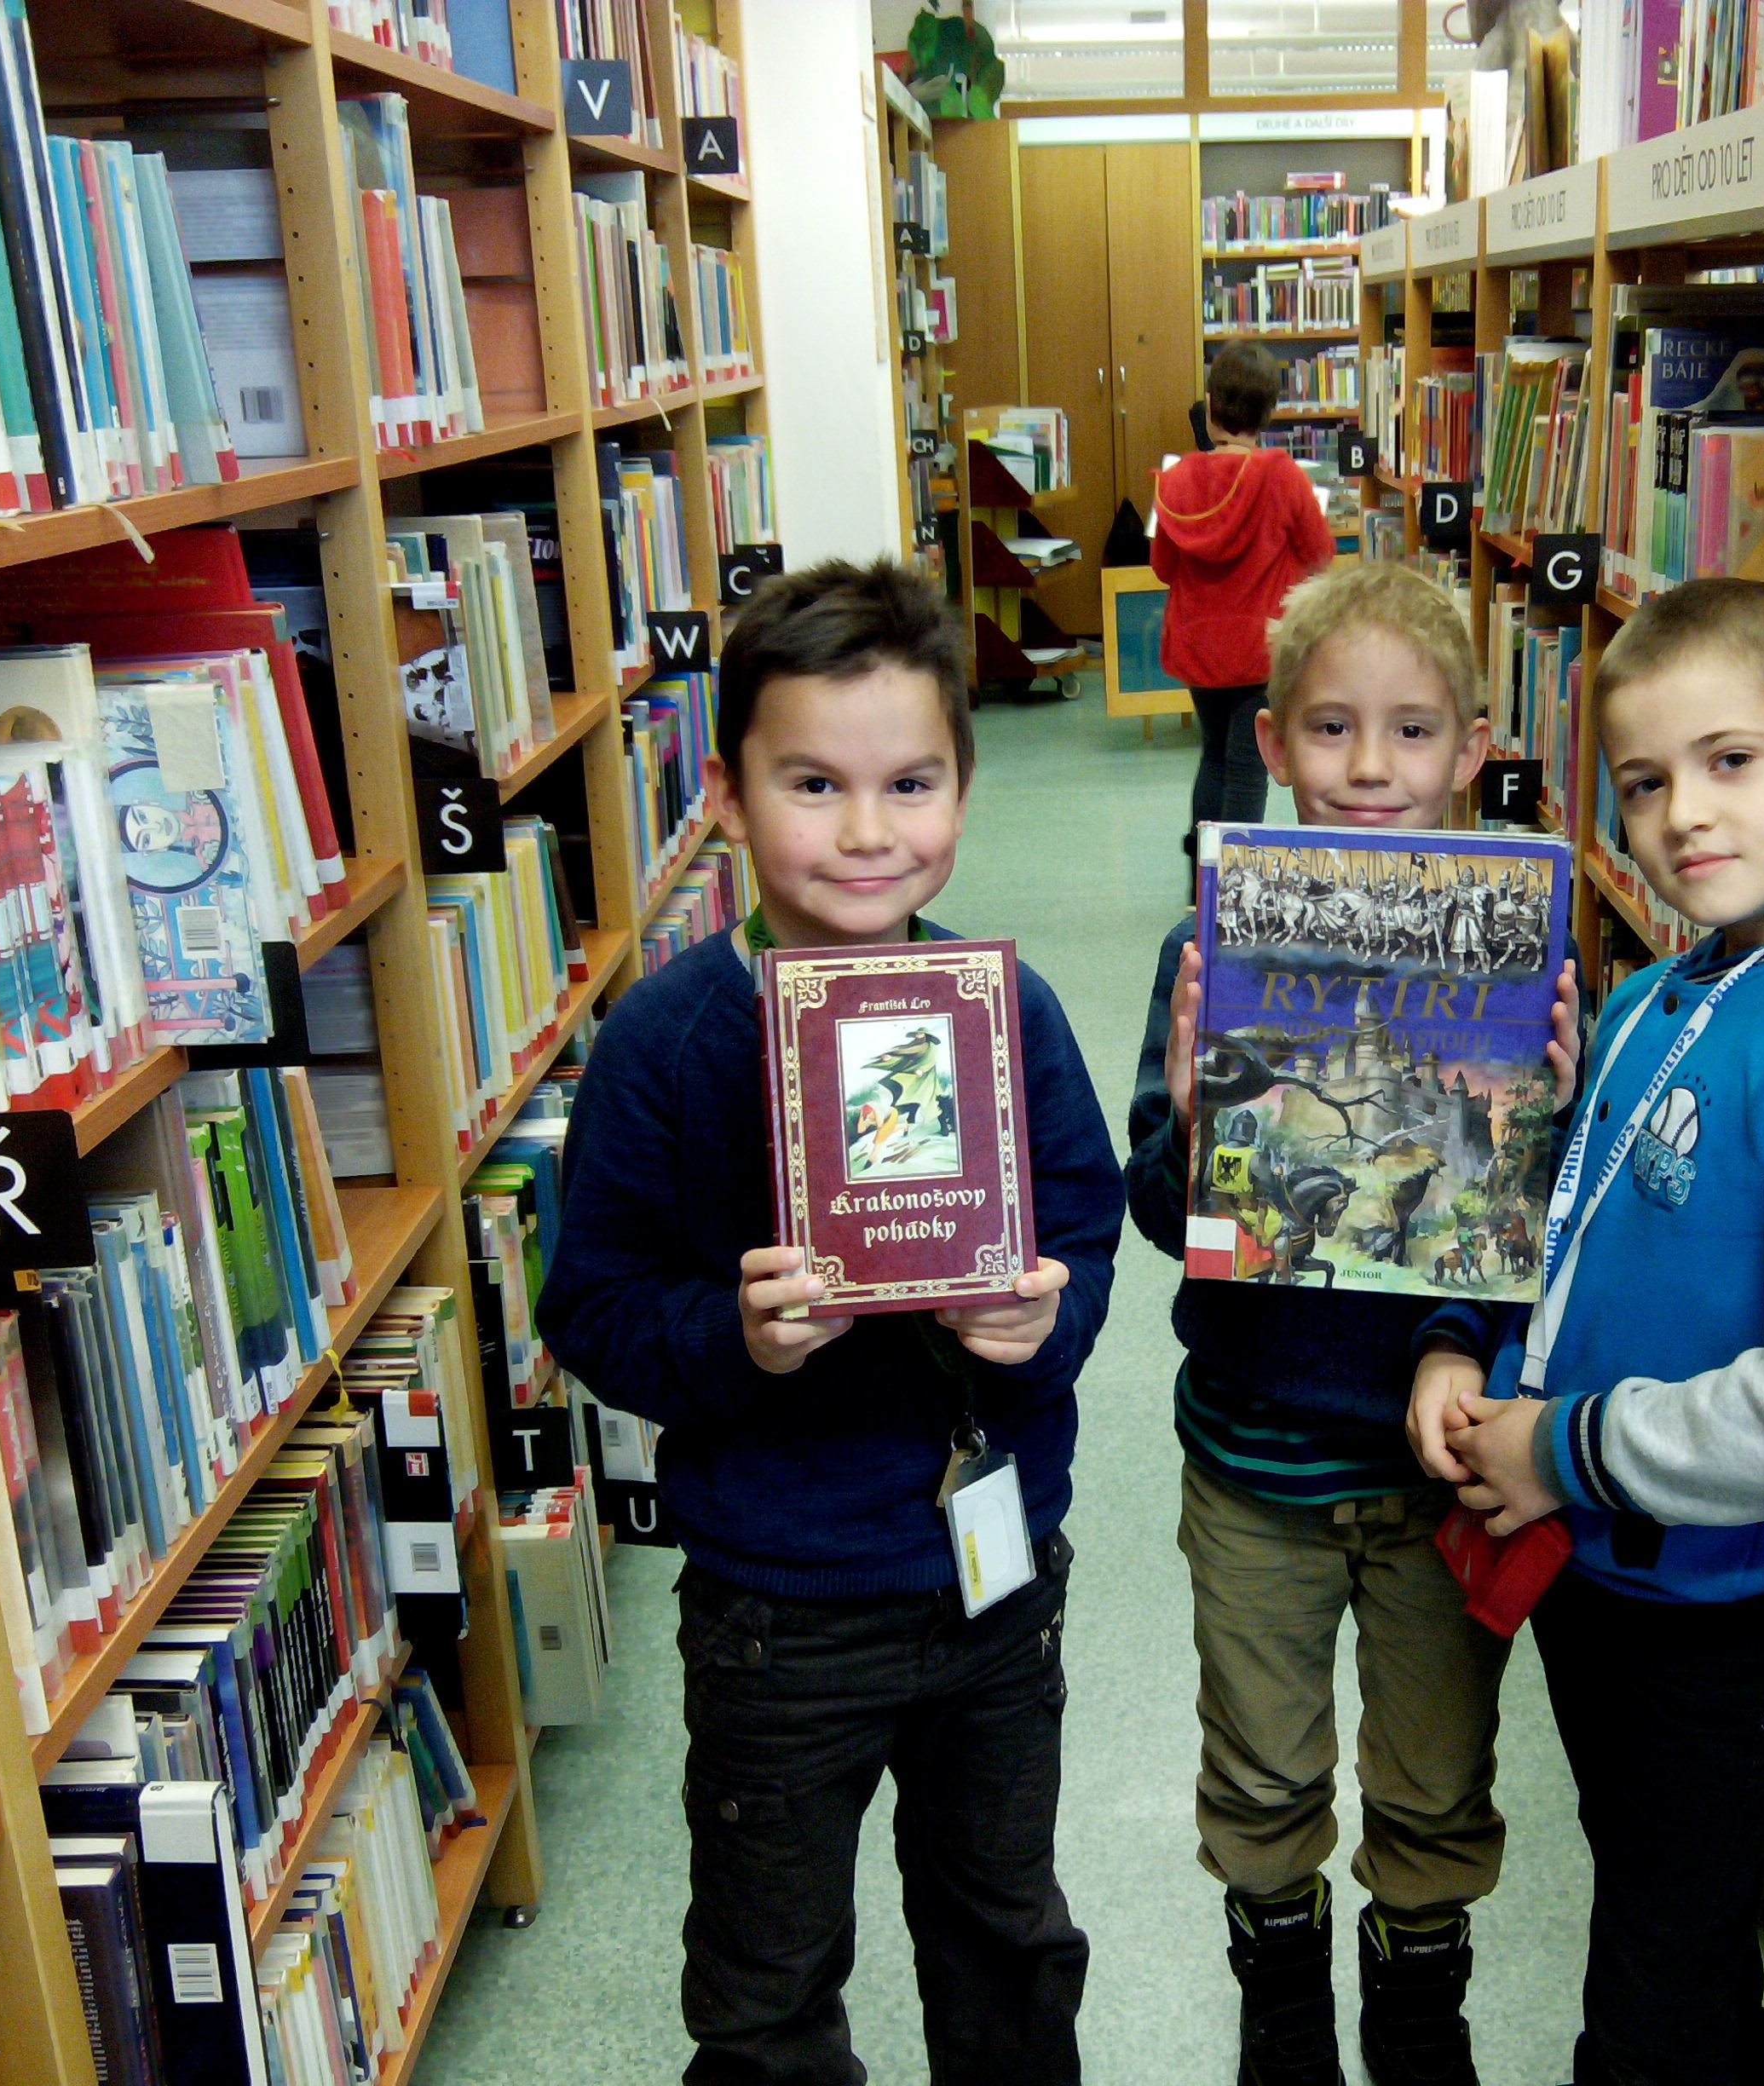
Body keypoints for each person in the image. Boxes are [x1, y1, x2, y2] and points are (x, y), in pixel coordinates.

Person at [537, 558, 1125, 2086]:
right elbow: (592, 1304)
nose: (868, 832)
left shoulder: (1010, 1013)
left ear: (963, 788)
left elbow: (1081, 1226)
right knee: (768, 1977)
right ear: (726, 798)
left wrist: (1040, 1324)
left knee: (1005, 1929)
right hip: (777, 1604)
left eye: (909, 783)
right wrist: (734, 1340)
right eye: (813, 783)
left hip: (992, 1578)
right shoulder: (666, 1042)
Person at [1417, 576, 1764, 2086]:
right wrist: (1476, 1358)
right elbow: (1581, 1227)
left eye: (1731, 761)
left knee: (1651, 1990)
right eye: (1644, 782)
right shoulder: (1667, 989)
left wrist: (1564, 1446)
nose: (1683, 815)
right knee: (1671, 1920)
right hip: (1600, 1560)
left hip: (1707, 1600)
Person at [1127, 562, 1582, 2086]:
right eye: (1330, 728)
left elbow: (1535, 1237)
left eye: (1411, 729)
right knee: (1260, 1761)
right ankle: (1277, 1998)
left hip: (1441, 1469)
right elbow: (1161, 1215)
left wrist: (1549, 1108)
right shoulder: (1205, 948)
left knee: (1436, 1773)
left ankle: (1418, 2000)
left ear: (1472, 749)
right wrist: (1192, 1120)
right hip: (1254, 1458)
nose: (1370, 766)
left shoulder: (1521, 948)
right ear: (1269, 741)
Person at [1153, 340, 1336, 854]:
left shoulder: (1176, 480)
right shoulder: (1281, 476)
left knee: (1213, 757)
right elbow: (1321, 555)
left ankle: (1202, 878)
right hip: (1261, 650)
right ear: (1269, 411)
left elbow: (1163, 567)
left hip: (1198, 648)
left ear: (1210, 406)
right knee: (1248, 768)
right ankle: (1235, 882)